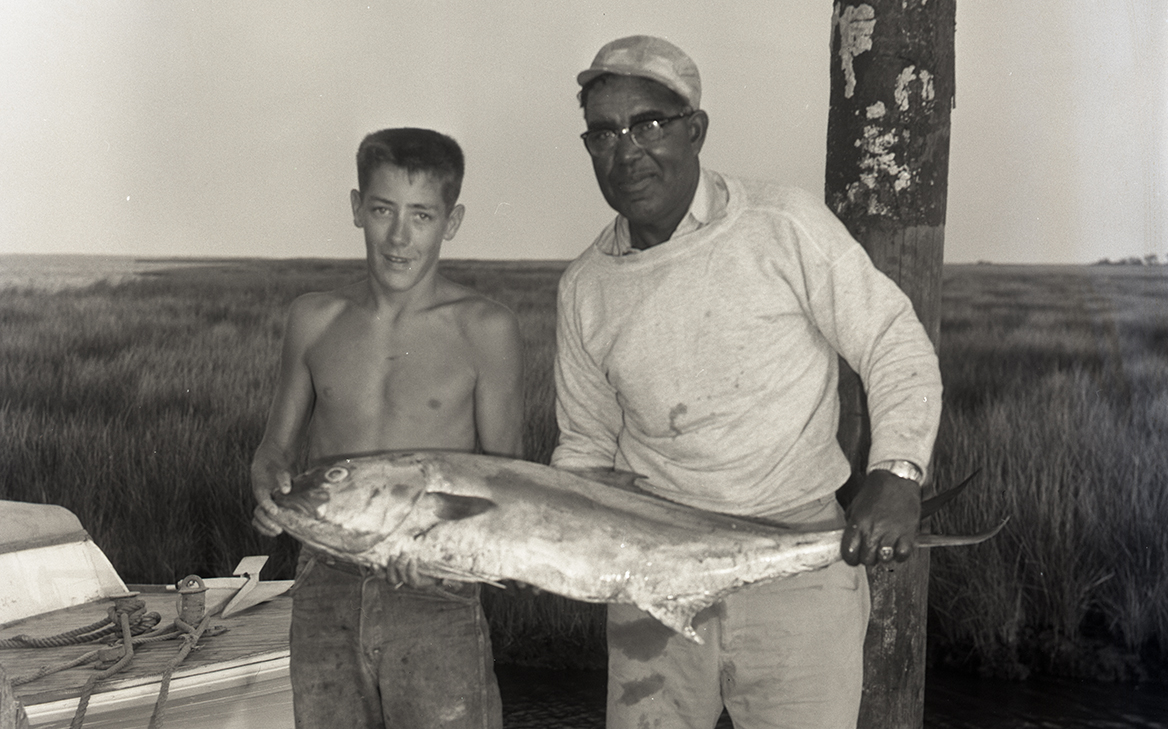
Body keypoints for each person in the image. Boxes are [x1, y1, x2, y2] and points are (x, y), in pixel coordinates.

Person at [551, 35, 942, 729]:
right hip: (652, 579)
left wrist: (899, 470)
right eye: (604, 133)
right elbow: (585, 452)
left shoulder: (782, 223)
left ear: (695, 129)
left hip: (799, 566)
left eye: (649, 125)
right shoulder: (585, 286)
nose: (626, 149)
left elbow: (892, 339)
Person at [250, 127, 523, 729]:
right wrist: (269, 485)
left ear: (451, 222)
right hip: (325, 585)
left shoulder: (484, 329)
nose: (400, 237)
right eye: (383, 210)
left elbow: (508, 488)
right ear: (357, 209)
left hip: (435, 591)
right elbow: (275, 447)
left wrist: (439, 554)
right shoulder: (314, 318)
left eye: (421, 216)